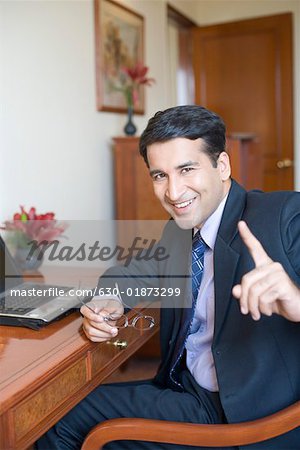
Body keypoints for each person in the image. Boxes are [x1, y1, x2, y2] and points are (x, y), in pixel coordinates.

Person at [36, 105, 300, 450]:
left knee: (56, 423)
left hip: (245, 417)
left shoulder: (282, 216)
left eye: (186, 169)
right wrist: (108, 300)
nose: (173, 193)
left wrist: (296, 302)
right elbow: (129, 274)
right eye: (160, 175)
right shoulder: (178, 232)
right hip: (184, 389)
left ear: (222, 166)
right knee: (65, 413)